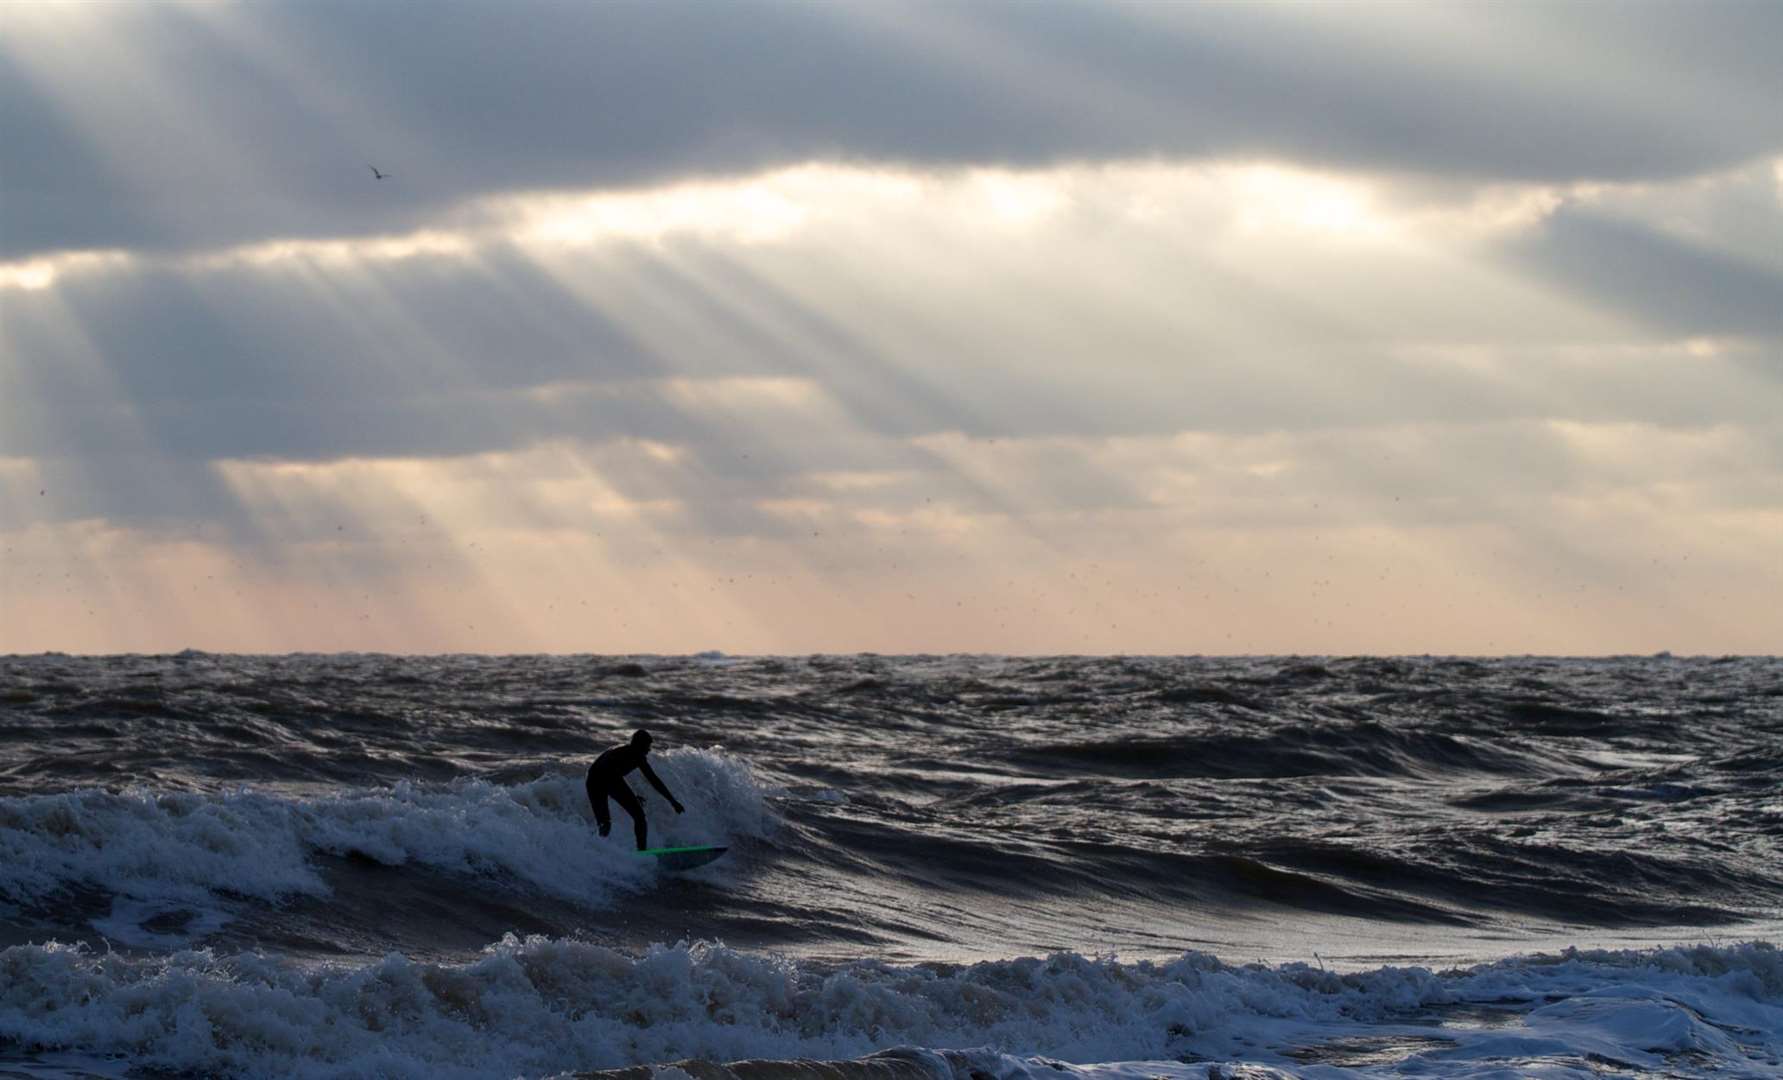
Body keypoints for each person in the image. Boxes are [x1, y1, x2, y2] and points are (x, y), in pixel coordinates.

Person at [586, 728, 683, 850]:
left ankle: (598, 851)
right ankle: (641, 852)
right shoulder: (630, 754)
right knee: (636, 817)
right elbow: (652, 780)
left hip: (596, 779)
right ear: (639, 745)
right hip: (597, 780)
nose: (649, 750)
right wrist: (672, 801)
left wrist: (671, 801)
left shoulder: (633, 753)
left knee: (609, 823)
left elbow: (651, 780)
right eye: (647, 746)